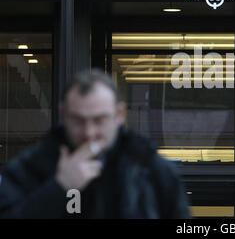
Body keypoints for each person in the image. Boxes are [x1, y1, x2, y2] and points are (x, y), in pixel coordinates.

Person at [0, 69, 190, 219]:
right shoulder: (30, 167)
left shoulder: (152, 169)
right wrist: (59, 187)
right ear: (63, 113)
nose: (89, 133)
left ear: (119, 115)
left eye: (99, 121)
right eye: (78, 121)